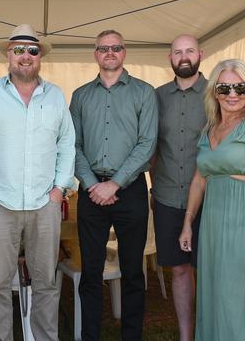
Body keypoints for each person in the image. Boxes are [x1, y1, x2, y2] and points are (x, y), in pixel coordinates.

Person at [0, 24, 75, 341]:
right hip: (0, 202)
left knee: (46, 282)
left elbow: (67, 144)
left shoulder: (55, 96)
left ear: (39, 56)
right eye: (18, 50)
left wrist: (59, 191)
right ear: (8, 55)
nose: (24, 56)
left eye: (31, 50)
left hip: (46, 205)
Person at [179, 59, 245, 340]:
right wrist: (188, 223)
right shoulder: (209, 130)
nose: (233, 94)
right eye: (225, 87)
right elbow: (199, 181)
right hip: (212, 223)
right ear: (214, 91)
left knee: (236, 295)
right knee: (214, 291)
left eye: (240, 87)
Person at [70, 30, 158, 340]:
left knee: (134, 271)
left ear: (124, 52)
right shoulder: (80, 95)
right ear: (95, 54)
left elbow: (147, 144)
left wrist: (116, 183)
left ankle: (131, 336)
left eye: (116, 47)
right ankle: (90, 335)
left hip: (131, 190)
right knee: (91, 272)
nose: (110, 52)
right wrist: (93, 184)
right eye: (103, 48)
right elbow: (73, 145)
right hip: (90, 190)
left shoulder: (144, 93)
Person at [150, 34, 206, 341]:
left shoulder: (218, 93)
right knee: (180, 270)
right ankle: (186, 336)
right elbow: (151, 146)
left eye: (189, 51)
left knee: (209, 270)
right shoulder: (156, 97)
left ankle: (210, 330)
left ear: (201, 54)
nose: (183, 57)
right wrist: (152, 189)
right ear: (170, 58)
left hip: (211, 198)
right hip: (168, 196)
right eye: (177, 52)